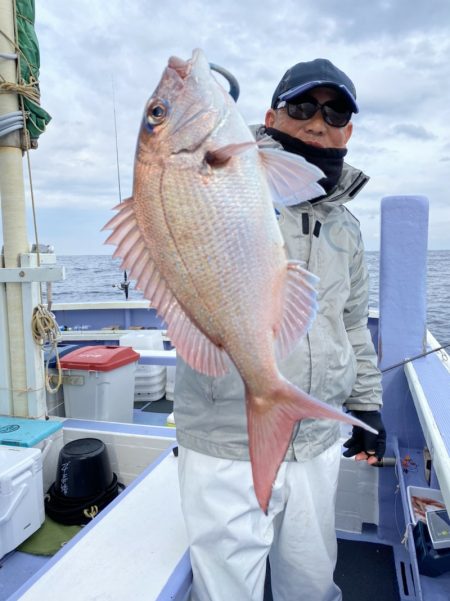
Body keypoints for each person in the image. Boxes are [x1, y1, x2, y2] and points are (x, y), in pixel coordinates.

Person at [174, 58, 386, 601]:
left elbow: (351, 324)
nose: (319, 122)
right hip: (225, 435)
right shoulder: (224, 177)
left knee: (311, 582)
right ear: (270, 116)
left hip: (315, 437)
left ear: (349, 130)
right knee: (227, 588)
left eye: (335, 111)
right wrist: (190, 113)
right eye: (302, 107)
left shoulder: (346, 226)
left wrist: (365, 403)